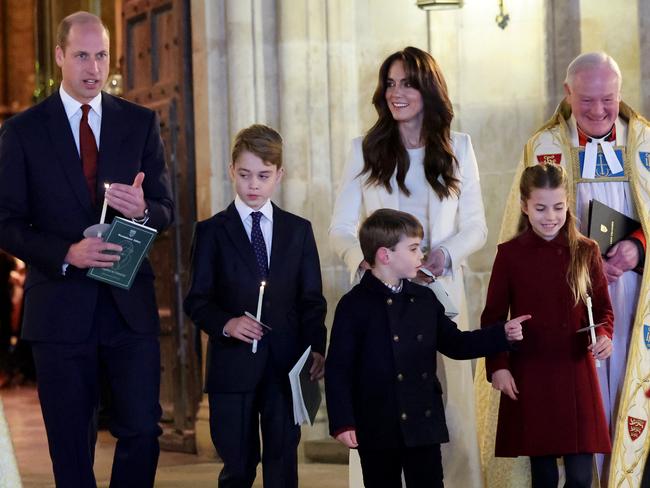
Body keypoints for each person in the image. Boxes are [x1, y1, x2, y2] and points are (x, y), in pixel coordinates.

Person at [0, 11, 173, 487]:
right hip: (59, 308)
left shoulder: (139, 123)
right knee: (71, 444)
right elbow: (6, 224)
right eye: (81, 55)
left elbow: (164, 207)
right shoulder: (23, 132)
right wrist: (66, 252)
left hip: (128, 305)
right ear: (60, 56)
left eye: (101, 55)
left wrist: (141, 209)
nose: (93, 67)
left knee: (142, 428)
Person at [476, 51, 649, 487]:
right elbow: (519, 242)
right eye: (586, 100)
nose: (597, 110)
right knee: (574, 417)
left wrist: (637, 246)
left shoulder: (645, 143)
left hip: (638, 299)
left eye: (607, 99)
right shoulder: (543, 147)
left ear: (620, 93)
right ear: (567, 94)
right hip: (567, 314)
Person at [329, 46, 488, 488]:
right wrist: (362, 258)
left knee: (449, 411)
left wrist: (442, 255)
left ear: (428, 88)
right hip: (380, 299)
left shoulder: (459, 148)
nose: (396, 92)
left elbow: (476, 226)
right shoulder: (364, 150)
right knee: (380, 403)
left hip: (439, 295)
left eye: (407, 83)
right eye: (391, 83)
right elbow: (340, 227)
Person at [325, 208, 528, 488]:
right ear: (386, 255)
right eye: (413, 248)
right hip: (377, 422)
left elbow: (456, 344)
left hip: (422, 419)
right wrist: (343, 422)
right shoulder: (353, 306)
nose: (421, 254)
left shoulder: (424, 298)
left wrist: (501, 334)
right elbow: (338, 368)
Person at [183, 124, 327, 488]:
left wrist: (317, 349)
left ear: (279, 175)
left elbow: (312, 300)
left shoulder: (299, 231)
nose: (253, 185)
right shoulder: (212, 232)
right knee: (238, 465)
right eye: (245, 174)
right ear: (231, 170)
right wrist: (227, 323)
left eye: (263, 176)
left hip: (285, 366)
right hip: (232, 367)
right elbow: (196, 300)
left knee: (283, 463)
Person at [483, 164, 613, 488]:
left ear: (568, 202)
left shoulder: (587, 251)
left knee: (581, 477)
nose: (550, 216)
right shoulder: (509, 255)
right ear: (524, 205)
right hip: (532, 373)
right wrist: (498, 367)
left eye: (558, 206)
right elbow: (493, 317)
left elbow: (604, 311)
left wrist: (606, 336)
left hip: (576, 372)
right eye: (540, 208)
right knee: (543, 476)